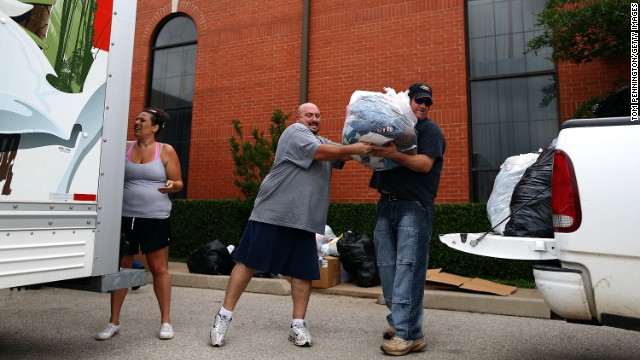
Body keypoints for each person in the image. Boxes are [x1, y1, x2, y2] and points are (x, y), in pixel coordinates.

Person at [209, 102, 373, 348]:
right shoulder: (294, 133)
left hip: (303, 221)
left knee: (302, 272)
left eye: (318, 115)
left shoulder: (323, 142)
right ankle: (223, 316)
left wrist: (379, 145)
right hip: (272, 213)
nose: (314, 119)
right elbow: (323, 153)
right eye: (309, 115)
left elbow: (346, 153)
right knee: (248, 262)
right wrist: (354, 148)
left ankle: (298, 325)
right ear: (298, 118)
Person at [368, 83, 446, 356]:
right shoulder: (392, 127)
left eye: (427, 102)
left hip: (413, 207)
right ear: (408, 101)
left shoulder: (429, 130)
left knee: (408, 269)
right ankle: (398, 322)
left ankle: (411, 334)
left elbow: (425, 164)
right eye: (419, 100)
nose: (423, 105)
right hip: (386, 204)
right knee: (388, 269)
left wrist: (394, 155)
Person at [96, 107, 183, 341]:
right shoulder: (124, 147)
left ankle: (166, 321)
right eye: (136, 119)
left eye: (142, 120)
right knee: (122, 266)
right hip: (125, 217)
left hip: (155, 217)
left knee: (158, 268)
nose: (136, 122)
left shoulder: (165, 151)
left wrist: (171, 186)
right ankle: (113, 321)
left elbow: (179, 182)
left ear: (154, 127)